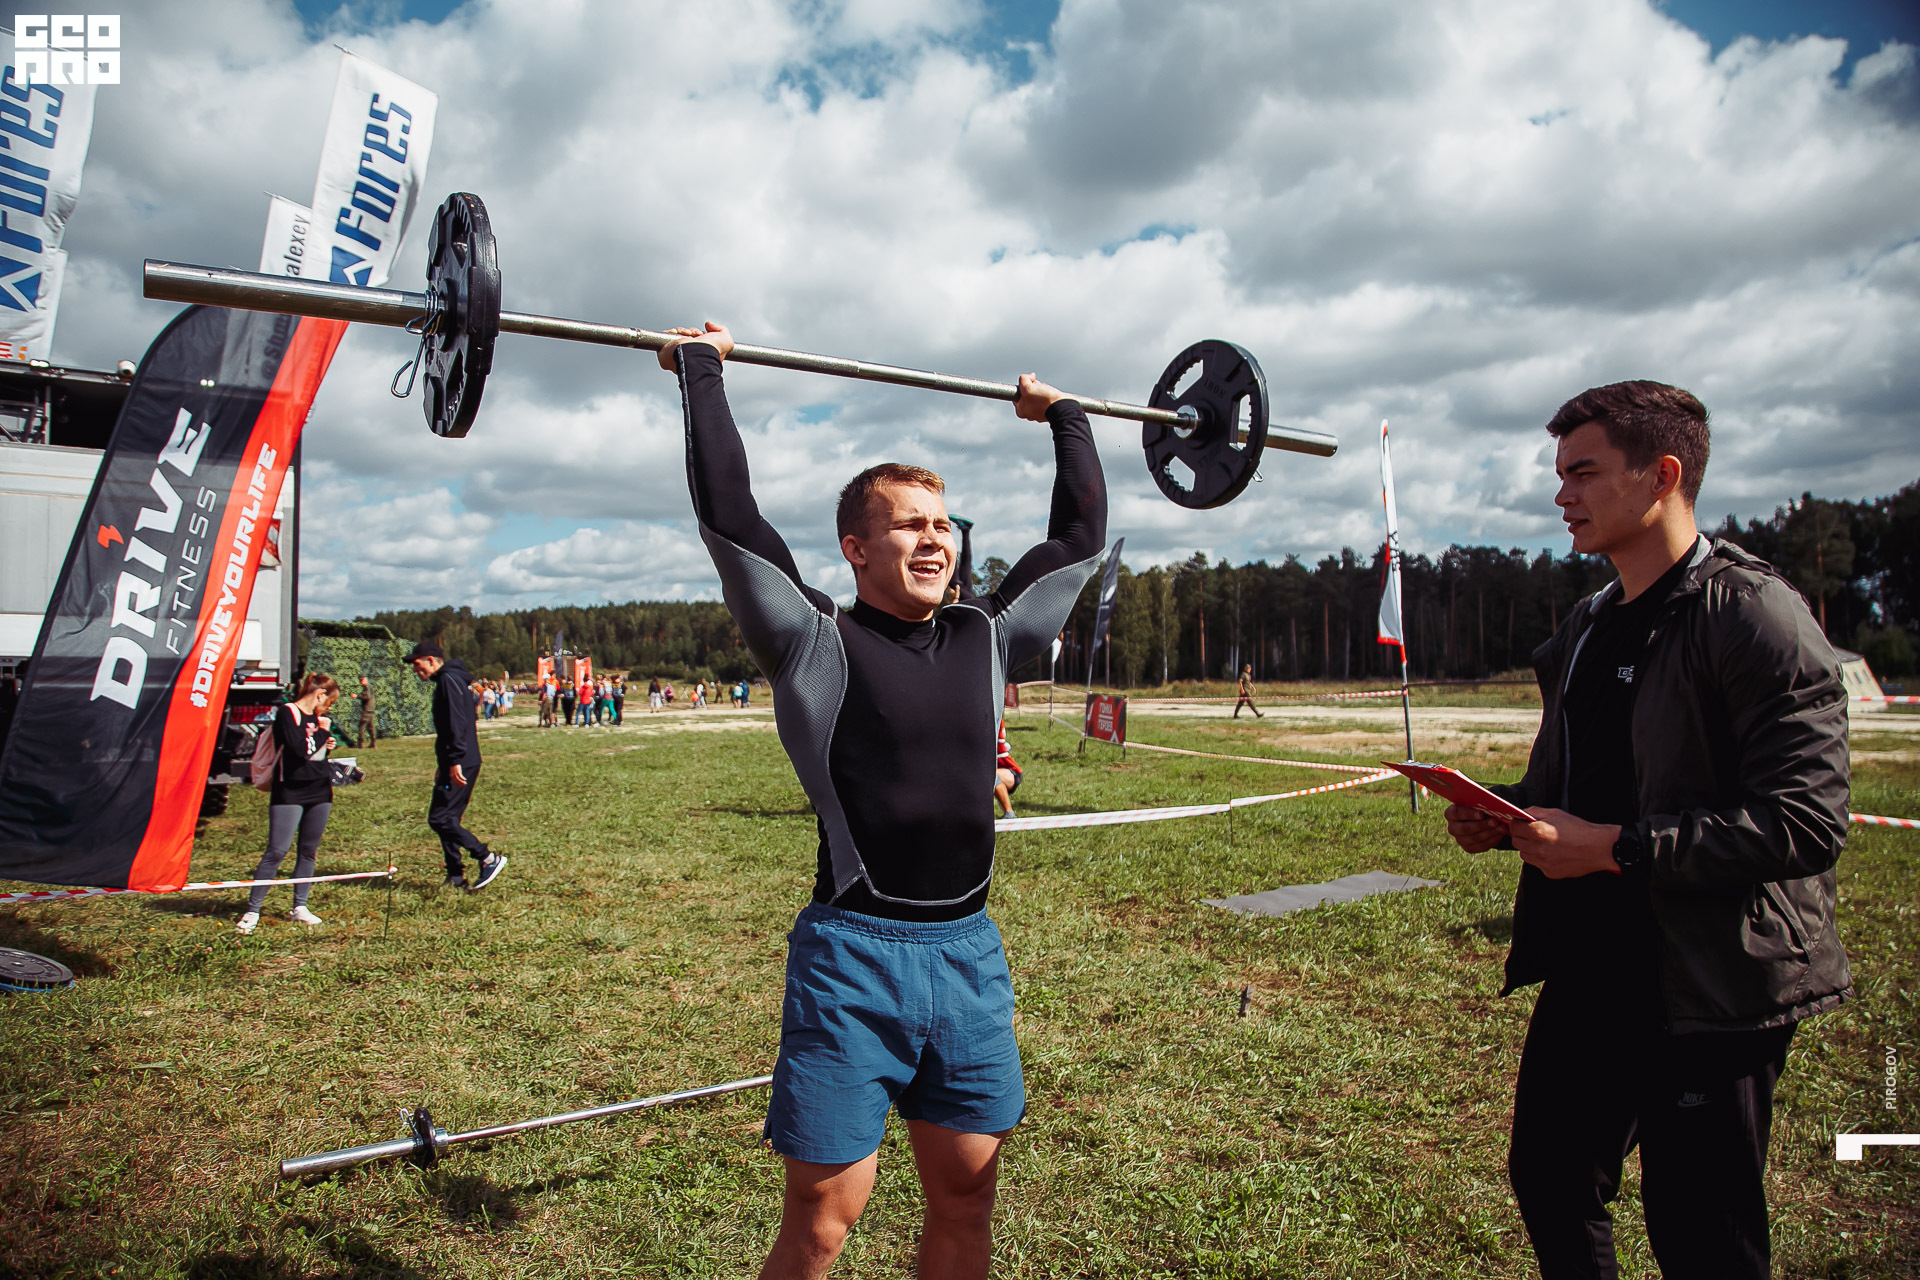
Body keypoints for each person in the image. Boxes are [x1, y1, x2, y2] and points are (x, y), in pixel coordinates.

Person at [660, 321, 1105, 1280]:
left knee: (967, 1199)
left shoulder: (987, 636)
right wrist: (702, 372)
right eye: (909, 522)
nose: (934, 538)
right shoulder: (812, 641)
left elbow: (1075, 542)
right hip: (853, 960)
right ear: (856, 548)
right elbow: (732, 517)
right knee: (824, 1220)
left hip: (970, 957)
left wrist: (1065, 418)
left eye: (944, 523)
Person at [1442, 381, 1850, 1280]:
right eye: (1559, 474)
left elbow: (1806, 822)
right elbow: (1577, 787)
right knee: (1548, 1175)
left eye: (1582, 472)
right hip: (1594, 963)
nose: (1561, 496)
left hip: (1711, 980)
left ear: (1662, 475)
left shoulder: (1754, 618)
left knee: (1701, 1230)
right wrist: (1503, 815)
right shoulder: (1587, 625)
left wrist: (1619, 849)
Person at [236, 672, 341, 935]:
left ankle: (300, 906)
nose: (327, 709)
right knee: (276, 850)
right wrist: (323, 732)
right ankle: (253, 909)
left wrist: (327, 745)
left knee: (308, 851)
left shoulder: (318, 719)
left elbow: (313, 751)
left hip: (319, 791)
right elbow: (298, 749)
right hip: (290, 792)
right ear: (319, 695)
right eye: (328, 703)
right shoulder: (287, 713)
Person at [409, 641, 508, 892]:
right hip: (458, 760)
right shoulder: (451, 680)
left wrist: (454, 761)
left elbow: (456, 723)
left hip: (461, 761)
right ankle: (455, 875)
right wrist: (444, 763)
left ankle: (486, 858)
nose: (415, 670)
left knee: (440, 818)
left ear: (432, 660)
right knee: (448, 817)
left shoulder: (447, 680)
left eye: (418, 664)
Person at [992, 719, 1022, 820]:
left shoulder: (996, 722)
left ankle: (1009, 814)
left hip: (1011, 772)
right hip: (998, 770)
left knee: (991, 776)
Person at [356, 674, 378, 748]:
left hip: (367, 709)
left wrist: (357, 696)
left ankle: (360, 743)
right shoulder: (370, 687)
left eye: (362, 680)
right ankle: (373, 743)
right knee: (371, 727)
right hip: (371, 709)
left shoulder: (367, 688)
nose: (361, 682)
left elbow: (366, 697)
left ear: (366, 679)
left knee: (362, 726)